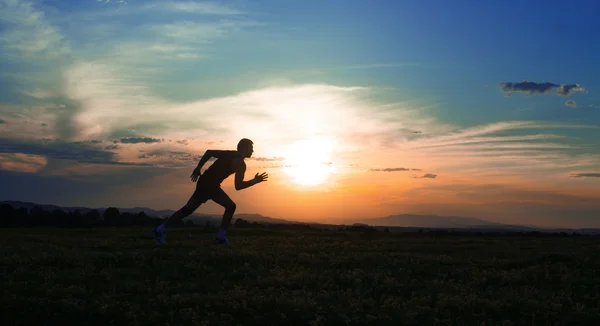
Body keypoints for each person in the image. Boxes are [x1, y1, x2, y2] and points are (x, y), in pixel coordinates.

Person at [152, 138, 268, 245]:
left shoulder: (230, 153)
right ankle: (159, 230)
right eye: (251, 148)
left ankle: (220, 237)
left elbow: (209, 152)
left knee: (191, 210)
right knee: (190, 210)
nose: (253, 150)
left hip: (209, 184)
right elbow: (238, 186)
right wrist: (254, 181)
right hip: (208, 185)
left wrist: (198, 168)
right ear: (244, 148)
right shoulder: (240, 164)